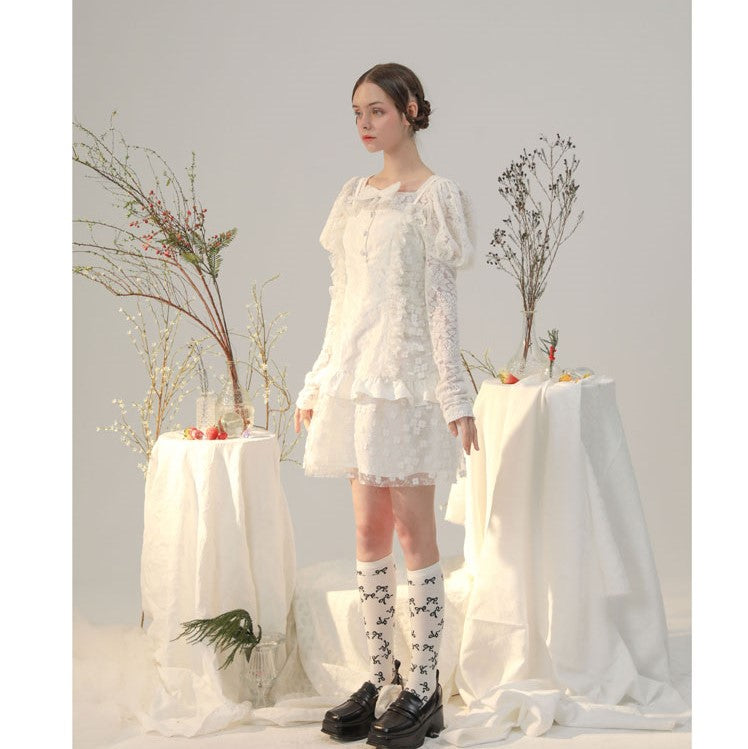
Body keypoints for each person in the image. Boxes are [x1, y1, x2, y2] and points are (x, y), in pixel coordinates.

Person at [293, 62, 479, 748]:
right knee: (367, 530)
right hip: (357, 379)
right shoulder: (353, 197)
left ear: (410, 111)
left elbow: (440, 305)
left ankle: (424, 687)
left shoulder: (434, 197)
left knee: (412, 531)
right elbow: (342, 300)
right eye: (357, 113)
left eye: (376, 111)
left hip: (406, 380)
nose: (365, 124)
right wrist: (318, 382)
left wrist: (454, 393)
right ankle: (382, 674)